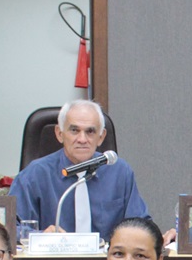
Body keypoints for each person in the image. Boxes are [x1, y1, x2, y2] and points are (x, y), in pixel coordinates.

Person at [11, 99, 150, 238]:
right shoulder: (35, 174)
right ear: (60, 134)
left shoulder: (119, 172)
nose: (82, 139)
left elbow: (141, 226)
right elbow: (9, 229)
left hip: (106, 259)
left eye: (90, 132)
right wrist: (41, 236)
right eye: (74, 130)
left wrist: (169, 236)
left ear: (101, 137)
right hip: (54, 258)